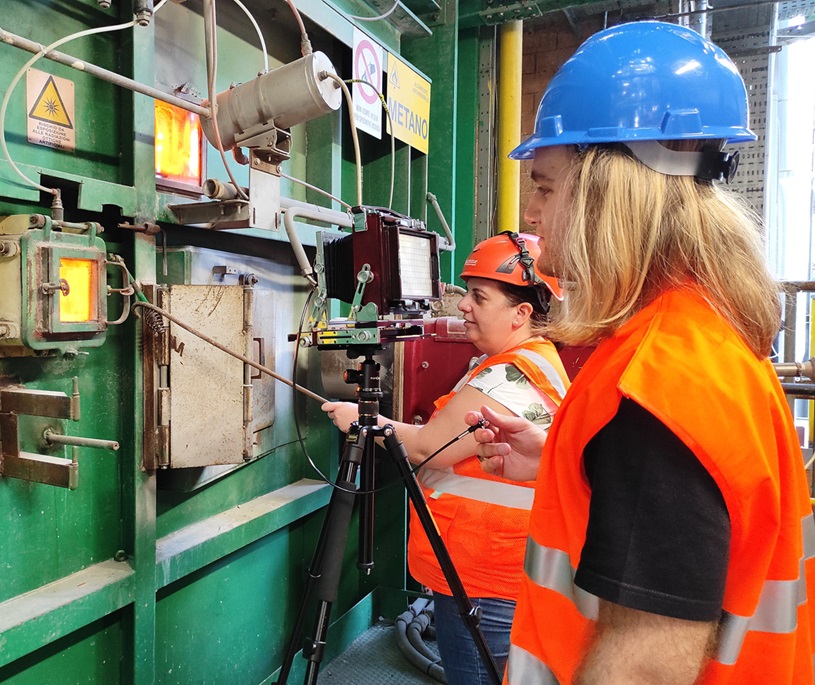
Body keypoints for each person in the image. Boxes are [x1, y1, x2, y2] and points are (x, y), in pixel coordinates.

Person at [465, 20, 815, 685]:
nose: (531, 214)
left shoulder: (657, 388)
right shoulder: (700, 337)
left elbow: (645, 667)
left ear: (608, 190)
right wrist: (568, 469)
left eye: (543, 185)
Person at [322, 231, 571, 685]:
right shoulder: (532, 360)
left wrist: (360, 419)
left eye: (479, 297)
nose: (463, 306)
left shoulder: (508, 376)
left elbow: (424, 446)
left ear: (521, 313)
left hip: (486, 577)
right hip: (500, 569)